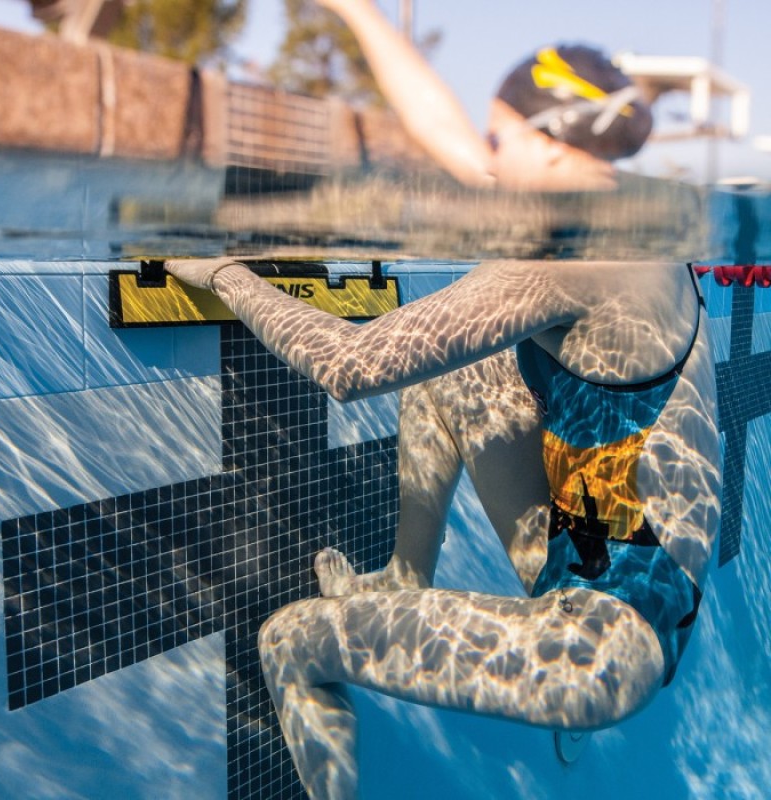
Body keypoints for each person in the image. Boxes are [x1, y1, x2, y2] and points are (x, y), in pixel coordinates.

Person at [166, 254, 722, 800]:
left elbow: (347, 364)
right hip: (639, 589)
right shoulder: (665, 250)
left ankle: (564, 693)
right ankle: (406, 578)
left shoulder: (562, 258)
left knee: (286, 642)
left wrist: (222, 274)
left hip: (599, 651)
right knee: (453, 369)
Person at [313, 0, 654, 191]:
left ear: (549, 144)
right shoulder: (599, 218)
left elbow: (418, 323)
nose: (488, 157)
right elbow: (438, 124)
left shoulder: (569, 256)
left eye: (494, 139)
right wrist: (358, 10)